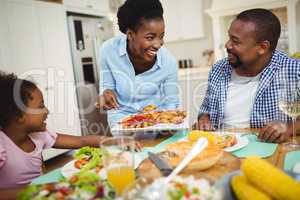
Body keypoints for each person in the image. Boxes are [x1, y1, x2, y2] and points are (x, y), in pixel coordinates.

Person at [0, 72, 141, 199]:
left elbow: (82, 141)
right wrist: (43, 189)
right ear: (19, 116)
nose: (47, 111)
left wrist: (113, 141)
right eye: (40, 106)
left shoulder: (39, 135)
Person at [196, 8, 300, 143]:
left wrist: (290, 128)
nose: (227, 45)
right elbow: (205, 111)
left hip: (269, 150)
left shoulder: (294, 70)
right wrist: (204, 119)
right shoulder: (218, 69)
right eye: (229, 38)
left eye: (235, 41)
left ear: (262, 47)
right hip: (223, 148)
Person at [97, 0, 179, 128]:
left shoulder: (169, 62)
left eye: (161, 36)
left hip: (156, 123)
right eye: (150, 38)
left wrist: (164, 126)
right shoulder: (108, 50)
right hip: (121, 122)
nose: (158, 45)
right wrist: (106, 93)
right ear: (130, 34)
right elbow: (107, 86)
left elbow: (171, 104)